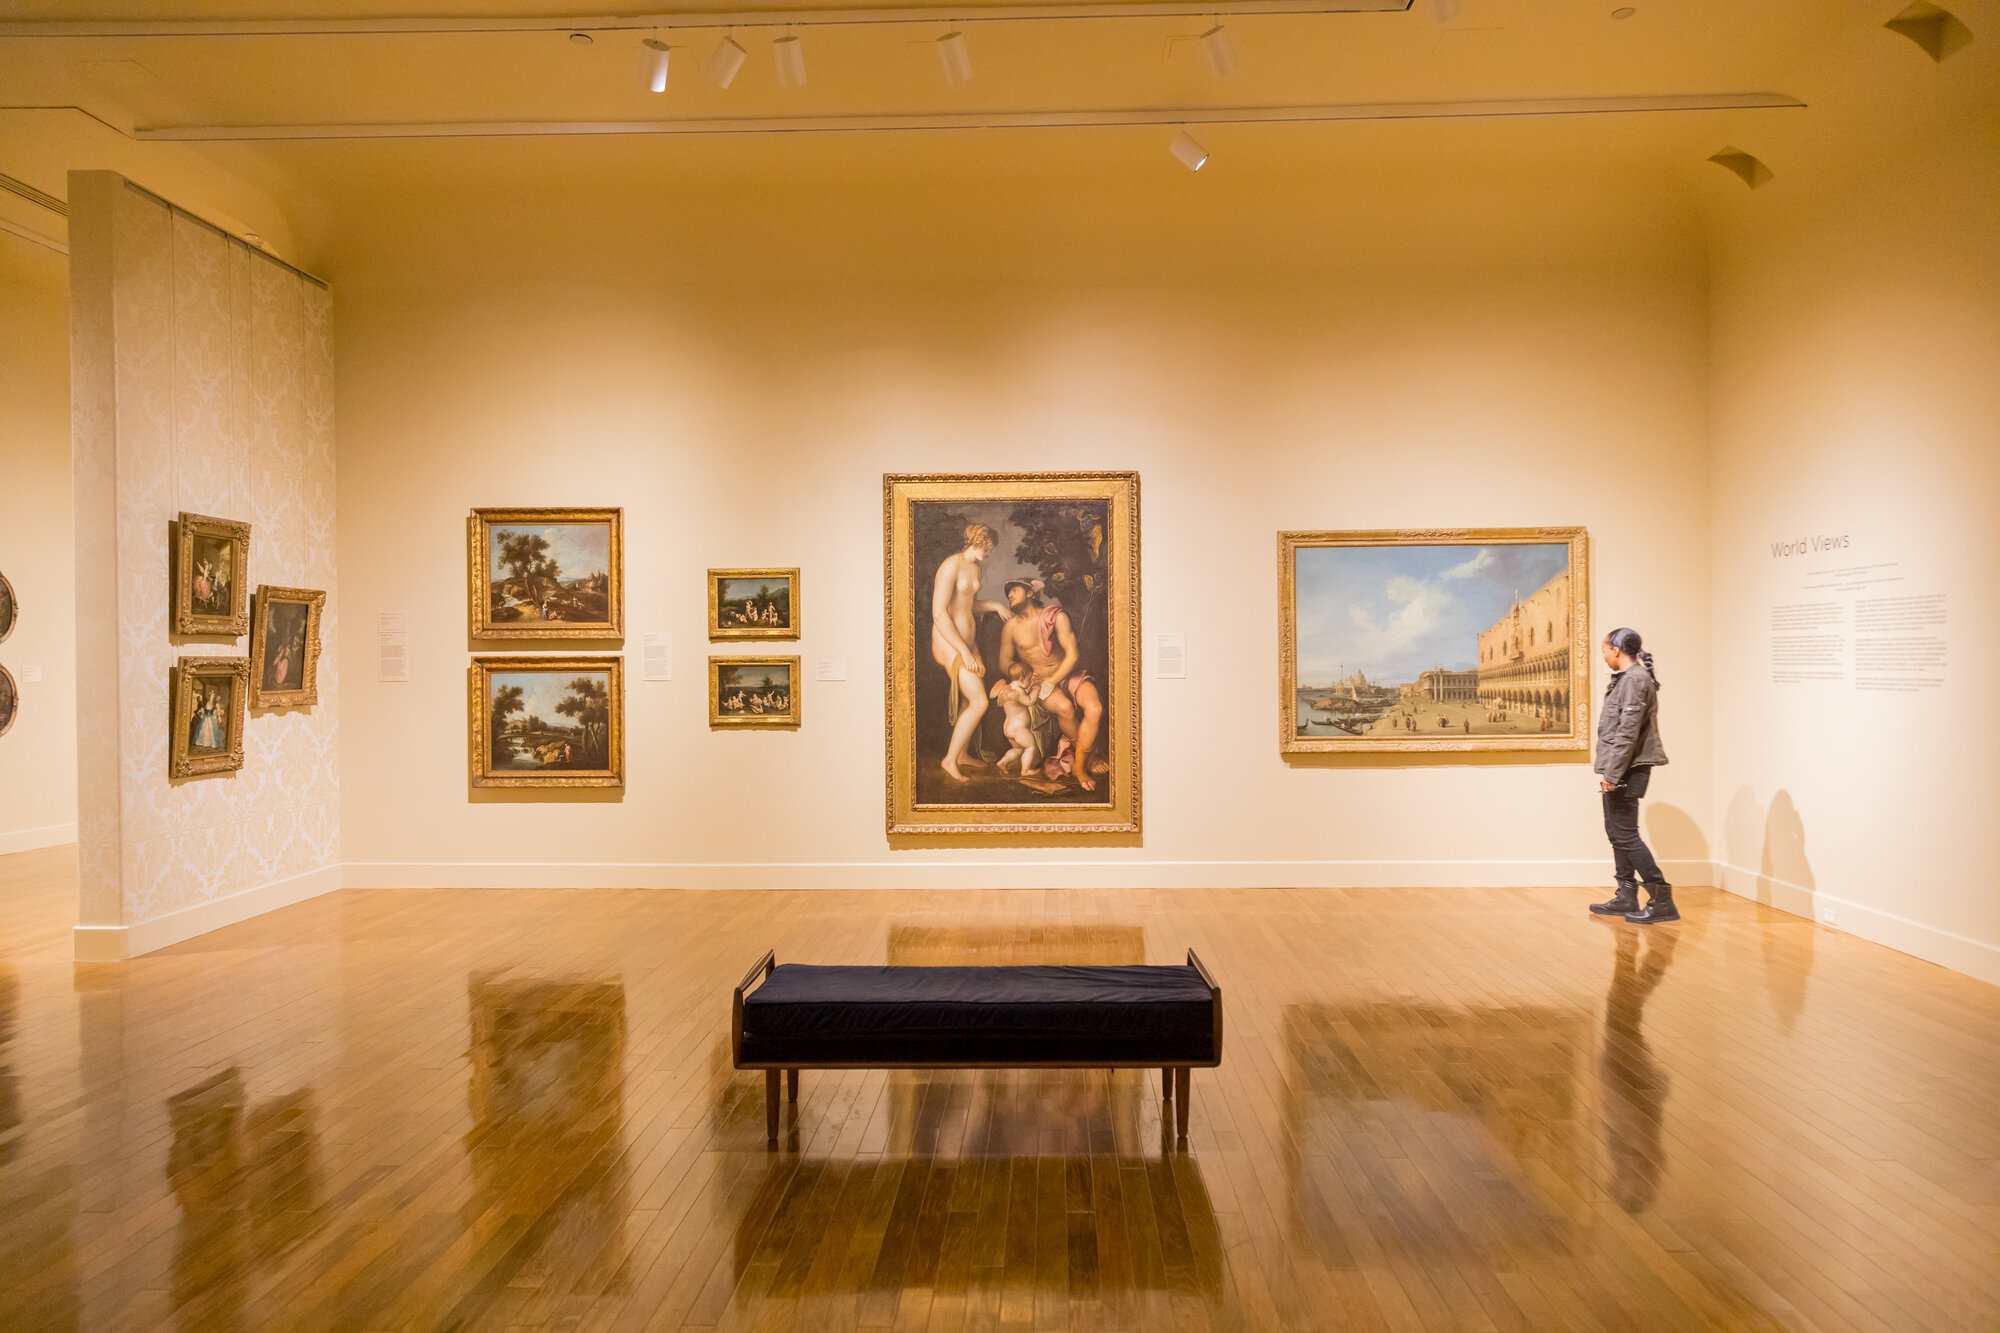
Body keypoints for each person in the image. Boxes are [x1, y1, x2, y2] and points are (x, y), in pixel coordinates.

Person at [1592, 626, 1674, 923]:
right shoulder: (1628, 679)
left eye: (1604, 649)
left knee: (1625, 835)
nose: (1603, 656)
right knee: (1616, 833)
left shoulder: (1635, 680)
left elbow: (1627, 732)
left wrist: (1612, 773)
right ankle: (1626, 894)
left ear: (1616, 649)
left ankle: (1661, 897)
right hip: (1620, 767)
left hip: (1628, 768)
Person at [996, 578, 1108, 791]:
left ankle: (1084, 760)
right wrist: (1024, 676)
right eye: (1008, 592)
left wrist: (1053, 680)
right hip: (1038, 683)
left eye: (1015, 590)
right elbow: (1004, 662)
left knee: (1096, 707)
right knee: (1065, 707)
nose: (1009, 595)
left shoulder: (1055, 616)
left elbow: (1073, 655)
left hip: (1067, 674)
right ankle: (1082, 766)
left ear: (1030, 593)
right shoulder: (1010, 627)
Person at [929, 524, 1012, 782]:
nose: (991, 552)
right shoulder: (950, 566)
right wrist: (963, 651)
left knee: (969, 700)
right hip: (948, 643)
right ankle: (949, 760)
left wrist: (995, 605)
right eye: (990, 547)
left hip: (966, 643)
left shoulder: (974, 568)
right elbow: (940, 613)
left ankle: (962, 754)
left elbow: (968, 604)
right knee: (979, 702)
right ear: (980, 542)